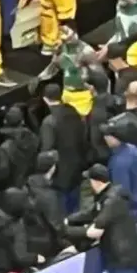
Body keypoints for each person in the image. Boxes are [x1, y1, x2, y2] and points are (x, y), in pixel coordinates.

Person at [39, 86, 87, 214]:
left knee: (62, 210)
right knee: (75, 206)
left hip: (60, 175)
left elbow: (47, 151)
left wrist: (46, 175)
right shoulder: (73, 111)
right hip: (77, 166)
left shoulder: (49, 122)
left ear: (45, 99)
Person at [101, 121, 137, 220]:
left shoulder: (119, 163)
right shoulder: (133, 149)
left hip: (128, 214)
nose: (105, 138)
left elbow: (120, 192)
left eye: (108, 135)